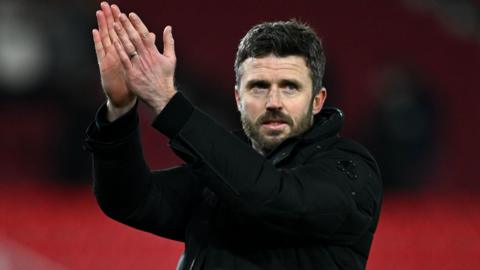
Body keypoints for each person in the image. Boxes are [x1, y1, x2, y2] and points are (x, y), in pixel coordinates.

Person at [84, 2, 383, 269]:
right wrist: (120, 111)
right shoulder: (219, 172)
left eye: (290, 86)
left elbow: (272, 197)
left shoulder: (350, 168)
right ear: (238, 97)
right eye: (259, 86)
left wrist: (168, 105)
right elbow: (130, 200)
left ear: (317, 100)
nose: (274, 102)